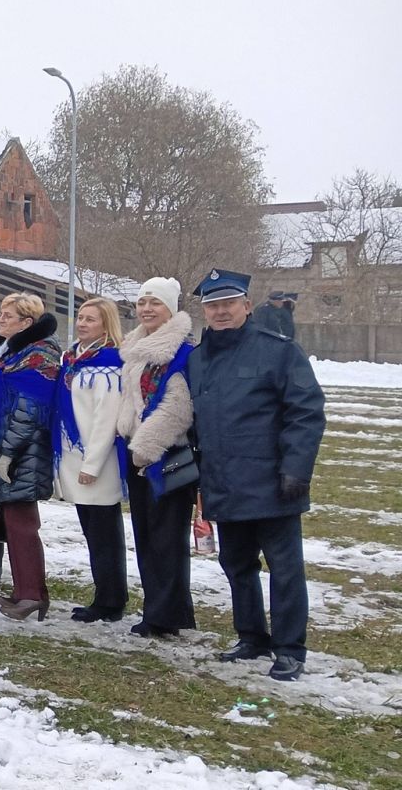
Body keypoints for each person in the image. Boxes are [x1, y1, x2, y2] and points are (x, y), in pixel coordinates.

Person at [190, 269, 326, 681]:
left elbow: (306, 412)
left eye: (229, 303)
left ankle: (289, 648)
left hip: (273, 483)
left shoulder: (278, 351)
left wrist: (296, 469)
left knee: (285, 569)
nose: (221, 312)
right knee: (236, 564)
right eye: (213, 305)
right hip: (223, 482)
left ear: (247, 306)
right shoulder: (198, 358)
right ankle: (251, 636)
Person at [114, 277, 198, 638]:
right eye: (142, 302)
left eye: (155, 303)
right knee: (147, 535)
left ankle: (164, 616)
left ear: (171, 309)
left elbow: (178, 409)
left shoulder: (181, 352)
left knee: (167, 539)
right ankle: (161, 609)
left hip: (165, 454)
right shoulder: (136, 348)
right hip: (137, 454)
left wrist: (145, 449)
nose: (147, 309)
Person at [0, 294, 60, 621]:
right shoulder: (9, 353)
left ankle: (32, 594)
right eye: (0, 313)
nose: (0, 319)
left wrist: (8, 452)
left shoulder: (39, 356)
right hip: (4, 446)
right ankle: (25, 590)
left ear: (26, 323)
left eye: (7, 315)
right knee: (12, 522)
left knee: (23, 523)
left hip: (24, 451)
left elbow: (28, 410)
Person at [55, 297, 128, 623]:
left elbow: (105, 420)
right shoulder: (74, 358)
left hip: (98, 461)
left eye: (91, 319)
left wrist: (92, 464)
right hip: (75, 456)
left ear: (106, 324)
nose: (82, 323)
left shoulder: (109, 362)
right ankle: (105, 594)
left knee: (104, 536)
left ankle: (111, 600)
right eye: (81, 317)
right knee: (92, 533)